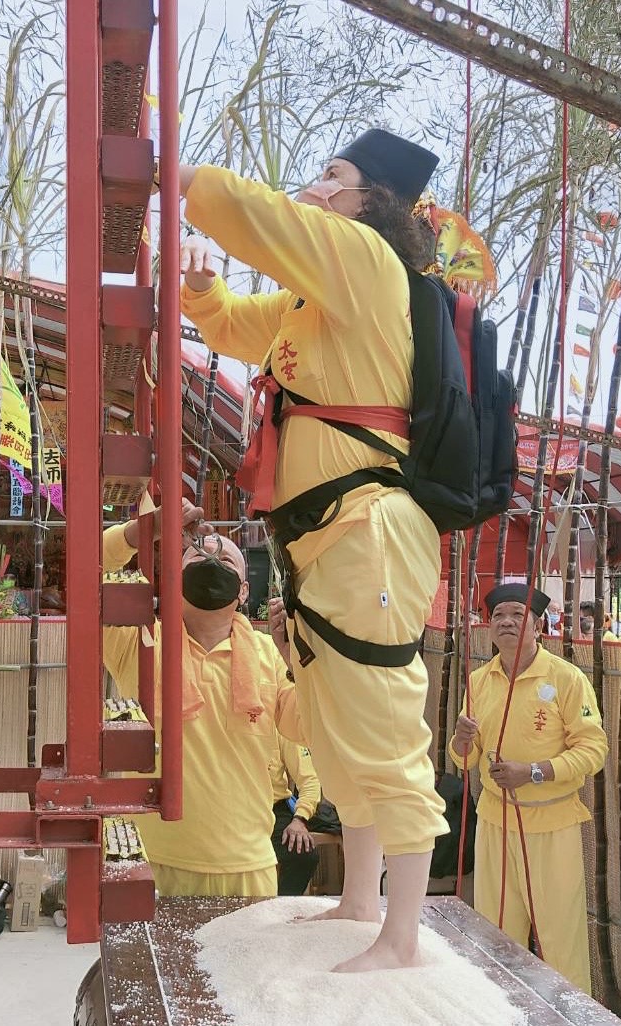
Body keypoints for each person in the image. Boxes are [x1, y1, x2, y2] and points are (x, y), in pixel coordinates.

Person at [177, 128, 449, 972]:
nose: (316, 186)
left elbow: (259, 218)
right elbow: (230, 325)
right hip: (324, 541)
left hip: (369, 528)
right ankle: (360, 899)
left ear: (371, 200)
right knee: (334, 727)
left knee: (383, 725)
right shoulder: (314, 304)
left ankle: (401, 937)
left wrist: (183, 179)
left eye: (333, 175)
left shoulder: (368, 263)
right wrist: (200, 290)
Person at [102, 500, 302, 898]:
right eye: (199, 554)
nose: (213, 560)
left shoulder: (268, 653)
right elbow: (90, 571)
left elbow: (307, 728)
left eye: (227, 561)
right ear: (176, 575)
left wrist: (298, 664)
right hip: (153, 861)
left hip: (247, 863)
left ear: (243, 590)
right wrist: (146, 529)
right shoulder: (138, 642)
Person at [450, 583, 607, 993]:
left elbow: (594, 749)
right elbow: (464, 760)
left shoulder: (565, 679)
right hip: (494, 823)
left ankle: (571, 1016)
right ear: (488, 626)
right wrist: (461, 741)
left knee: (560, 937)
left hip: (551, 826)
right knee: (495, 931)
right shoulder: (479, 681)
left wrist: (534, 772)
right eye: (499, 615)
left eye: (518, 615)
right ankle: (498, 1011)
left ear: (538, 626)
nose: (506, 621)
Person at [269, 731, 323, 896]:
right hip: (231, 811)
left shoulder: (281, 724)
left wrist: (300, 818)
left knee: (303, 853)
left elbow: (309, 779)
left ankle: (282, 906)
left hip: (273, 807)